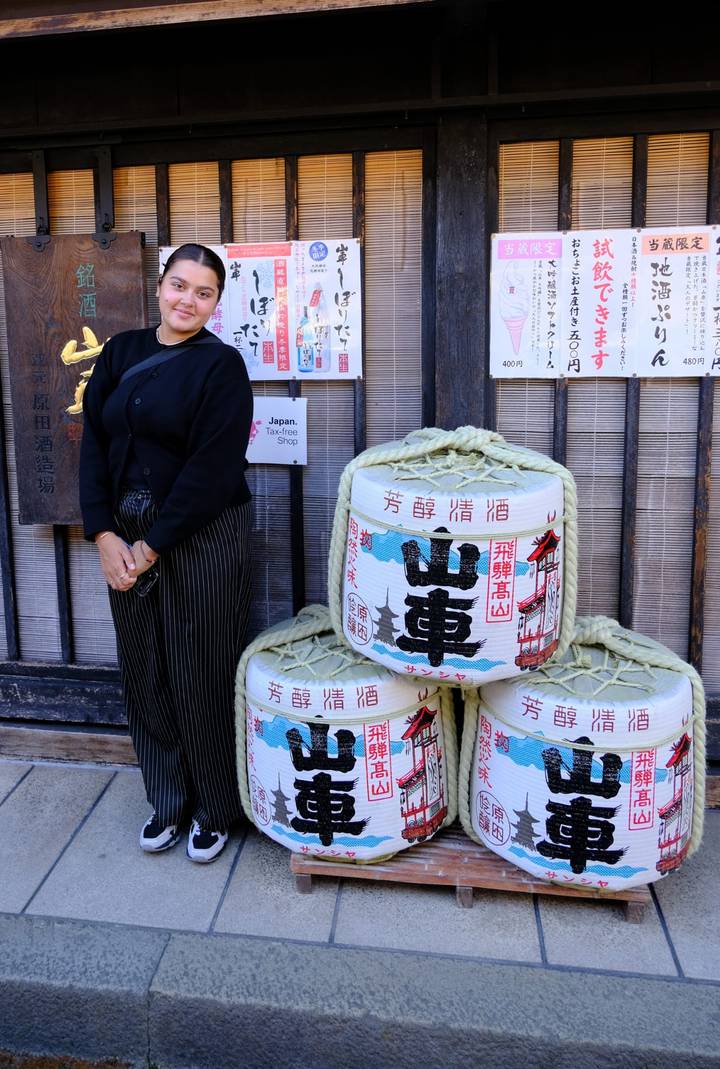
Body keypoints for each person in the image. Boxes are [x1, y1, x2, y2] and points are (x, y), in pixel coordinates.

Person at [79, 242, 254, 864]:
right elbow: (93, 448)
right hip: (124, 530)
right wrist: (103, 536)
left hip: (202, 531)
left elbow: (213, 470)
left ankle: (213, 807)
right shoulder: (122, 351)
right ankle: (167, 799)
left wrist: (150, 548)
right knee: (144, 667)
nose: (188, 300)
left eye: (203, 292)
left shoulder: (222, 366)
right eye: (180, 286)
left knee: (200, 666)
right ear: (161, 285)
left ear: (215, 302)